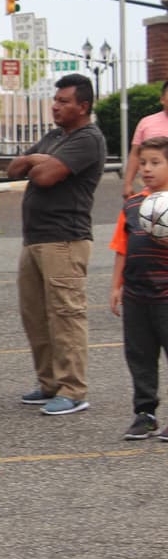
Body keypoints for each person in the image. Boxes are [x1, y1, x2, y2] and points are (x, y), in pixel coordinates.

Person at [8, 74, 107, 416]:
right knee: (35, 317)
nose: (55, 106)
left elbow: (44, 176)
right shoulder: (54, 137)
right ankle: (49, 382)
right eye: (55, 100)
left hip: (65, 240)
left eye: (64, 101)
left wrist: (37, 162)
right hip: (35, 239)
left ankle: (73, 389)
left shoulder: (88, 139)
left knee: (66, 317)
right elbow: (13, 169)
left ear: (83, 106)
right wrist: (35, 160)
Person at [109, 136, 168, 440]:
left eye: (155, 163)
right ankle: (145, 414)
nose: (146, 169)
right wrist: (116, 286)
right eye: (143, 162)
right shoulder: (132, 205)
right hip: (136, 295)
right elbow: (122, 248)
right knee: (139, 356)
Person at [122, 81, 168, 199]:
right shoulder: (146, 123)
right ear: (162, 99)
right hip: (152, 195)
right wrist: (128, 184)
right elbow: (135, 154)